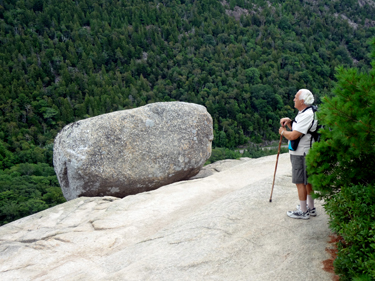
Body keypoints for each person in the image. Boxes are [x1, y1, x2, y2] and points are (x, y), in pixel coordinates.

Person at [278, 89, 317, 220]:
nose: (293, 99)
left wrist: (283, 132)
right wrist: (290, 123)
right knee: (308, 181)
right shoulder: (307, 112)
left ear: (302, 101)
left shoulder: (306, 115)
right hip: (306, 151)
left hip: (301, 153)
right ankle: (310, 208)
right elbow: (299, 130)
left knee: (300, 182)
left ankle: (303, 211)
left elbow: (294, 136)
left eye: (295, 97)